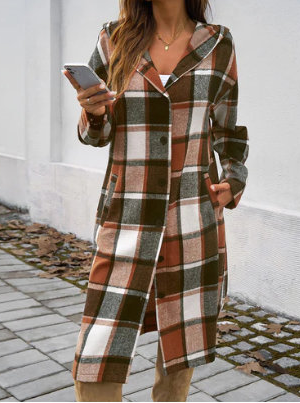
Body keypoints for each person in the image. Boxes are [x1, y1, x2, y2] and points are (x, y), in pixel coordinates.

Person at [63, 0, 249, 401]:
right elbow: (96, 135)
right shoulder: (114, 40)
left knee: (179, 356)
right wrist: (94, 114)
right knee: (96, 358)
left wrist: (234, 179)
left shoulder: (218, 44)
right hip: (126, 216)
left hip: (192, 218)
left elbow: (228, 129)